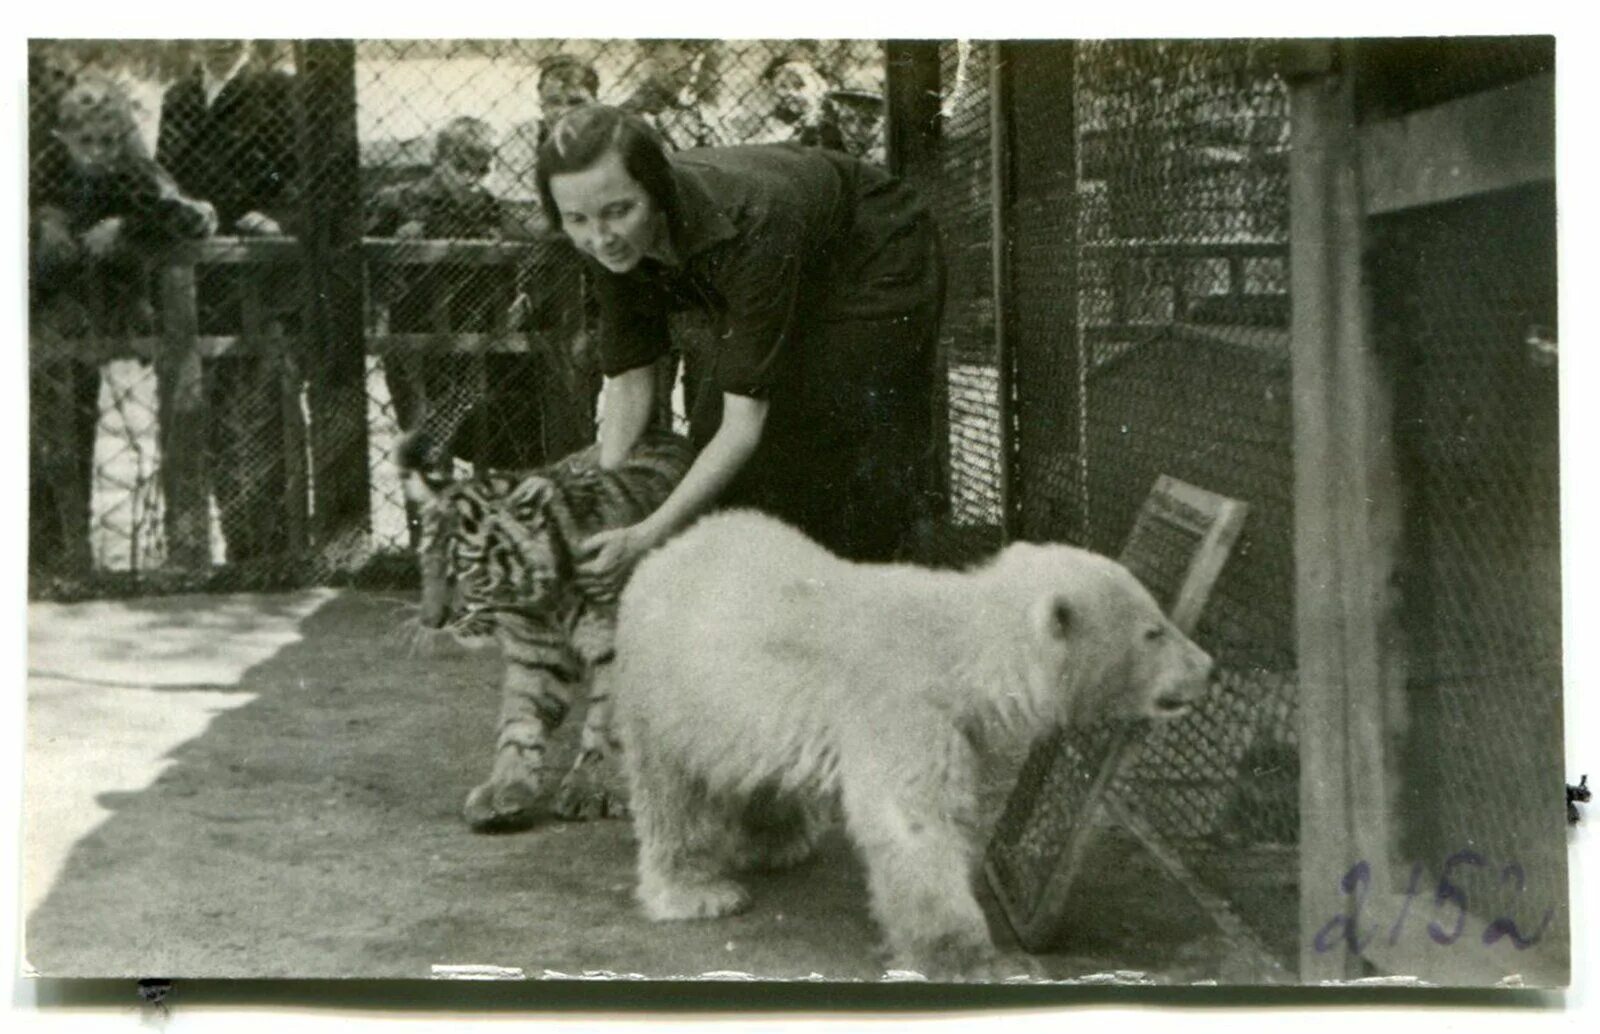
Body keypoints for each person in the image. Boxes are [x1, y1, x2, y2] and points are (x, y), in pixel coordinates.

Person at [533, 104, 944, 594]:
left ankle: (868, 591)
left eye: (620, 211)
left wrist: (644, 537)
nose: (600, 238)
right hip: (798, 252)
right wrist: (603, 507)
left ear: (657, 190)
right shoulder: (608, 242)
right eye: (576, 219)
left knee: (825, 424)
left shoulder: (754, 218)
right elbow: (629, 379)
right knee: (717, 436)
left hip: (873, 249)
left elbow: (744, 427)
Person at [30, 72, 218, 579]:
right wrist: (45, 223)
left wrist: (126, 228)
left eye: (108, 142)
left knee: (75, 430)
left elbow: (195, 217)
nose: (97, 154)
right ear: (62, 140)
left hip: (106, 316)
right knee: (46, 438)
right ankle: (47, 558)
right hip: (45, 316)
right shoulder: (41, 170)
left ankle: (73, 558)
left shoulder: (132, 170)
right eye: (85, 142)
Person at [157, 39, 302, 567]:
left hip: (261, 279)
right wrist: (178, 208)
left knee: (264, 413)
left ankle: (277, 551)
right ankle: (238, 550)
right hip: (198, 279)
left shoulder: (279, 90)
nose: (219, 38)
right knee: (210, 417)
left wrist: (278, 216)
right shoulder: (179, 98)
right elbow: (163, 176)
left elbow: (308, 177)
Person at [366, 116, 546, 473]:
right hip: (412, 332)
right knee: (421, 436)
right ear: (439, 159)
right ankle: (425, 523)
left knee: (472, 428)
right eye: (461, 166)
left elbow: (509, 267)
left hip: (471, 333)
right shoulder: (399, 200)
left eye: (481, 169)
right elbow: (364, 258)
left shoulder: (488, 207)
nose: (471, 179)